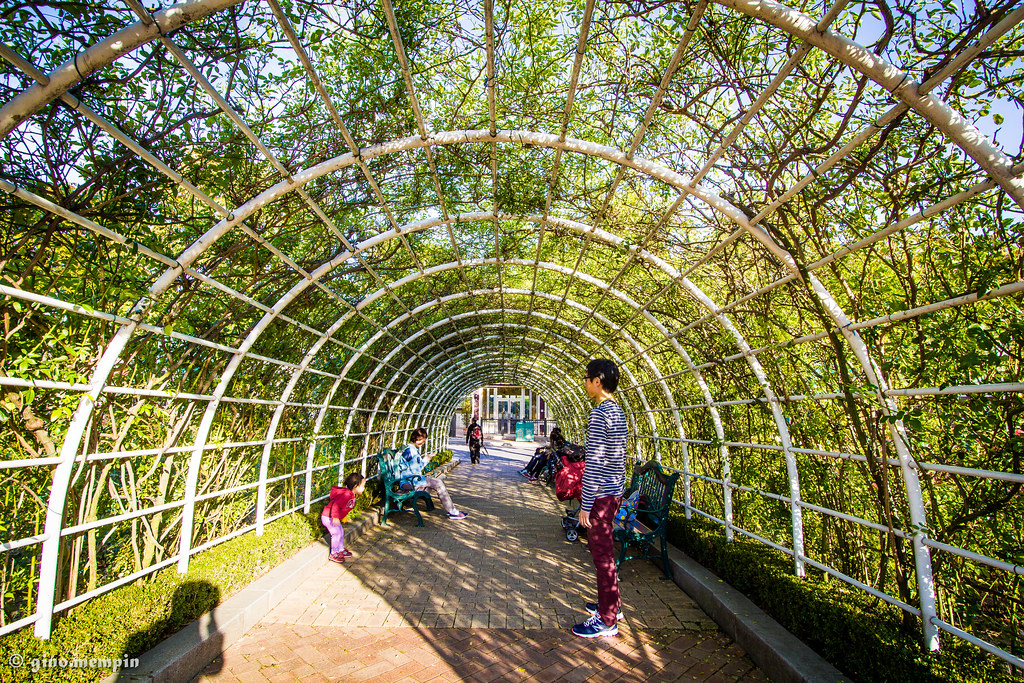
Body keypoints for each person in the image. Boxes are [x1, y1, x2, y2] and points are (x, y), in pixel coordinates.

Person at [572, 358, 627, 638]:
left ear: (597, 381)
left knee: (602, 555)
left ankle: (606, 620)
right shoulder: (618, 411)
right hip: (614, 492)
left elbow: (593, 463)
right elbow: (619, 458)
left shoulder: (598, 414)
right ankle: (612, 606)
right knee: (605, 553)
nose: (585, 383)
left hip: (601, 496)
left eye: (587, 378)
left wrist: (586, 505)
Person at [398, 427, 468, 519]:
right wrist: (426, 459)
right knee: (438, 482)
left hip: (410, 480)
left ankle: (450, 509)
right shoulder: (411, 451)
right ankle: (452, 511)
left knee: (439, 480)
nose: (421, 443)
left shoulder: (410, 449)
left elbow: (414, 468)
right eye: (419, 440)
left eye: (422, 441)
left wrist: (426, 459)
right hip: (410, 482)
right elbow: (415, 470)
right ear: (414, 438)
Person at [322, 472, 366, 563]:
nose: (364, 488)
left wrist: (343, 516)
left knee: (341, 532)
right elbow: (335, 505)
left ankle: (340, 549)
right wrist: (335, 517)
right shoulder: (346, 495)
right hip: (328, 517)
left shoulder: (351, 495)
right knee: (336, 533)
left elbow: (344, 507)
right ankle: (334, 553)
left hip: (333, 517)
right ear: (355, 486)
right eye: (363, 486)